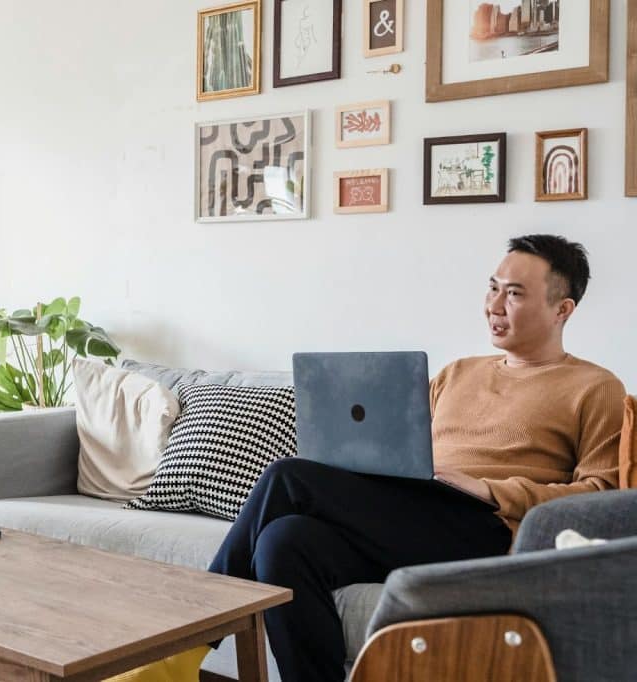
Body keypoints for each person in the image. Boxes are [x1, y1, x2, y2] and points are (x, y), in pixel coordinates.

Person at [108, 234, 625, 682]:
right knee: (282, 542)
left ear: (563, 309)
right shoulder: (457, 372)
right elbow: (405, 452)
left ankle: (187, 647)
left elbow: (601, 494)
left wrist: (490, 488)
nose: (494, 304)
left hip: (486, 527)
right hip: (414, 511)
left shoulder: (594, 387)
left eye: (515, 294)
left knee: (288, 478)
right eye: (493, 287)